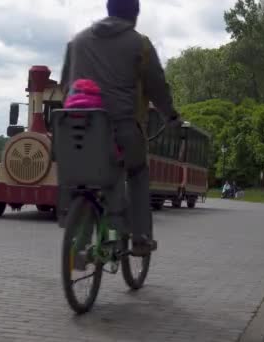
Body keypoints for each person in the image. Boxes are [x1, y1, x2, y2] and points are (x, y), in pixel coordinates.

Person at [60, 0, 181, 256]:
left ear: (108, 10)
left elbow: (65, 86)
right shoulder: (140, 44)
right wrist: (170, 115)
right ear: (135, 15)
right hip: (122, 129)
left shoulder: (77, 42)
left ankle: (81, 220)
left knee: (86, 173)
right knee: (137, 173)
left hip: (77, 128)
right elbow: (156, 86)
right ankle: (140, 237)